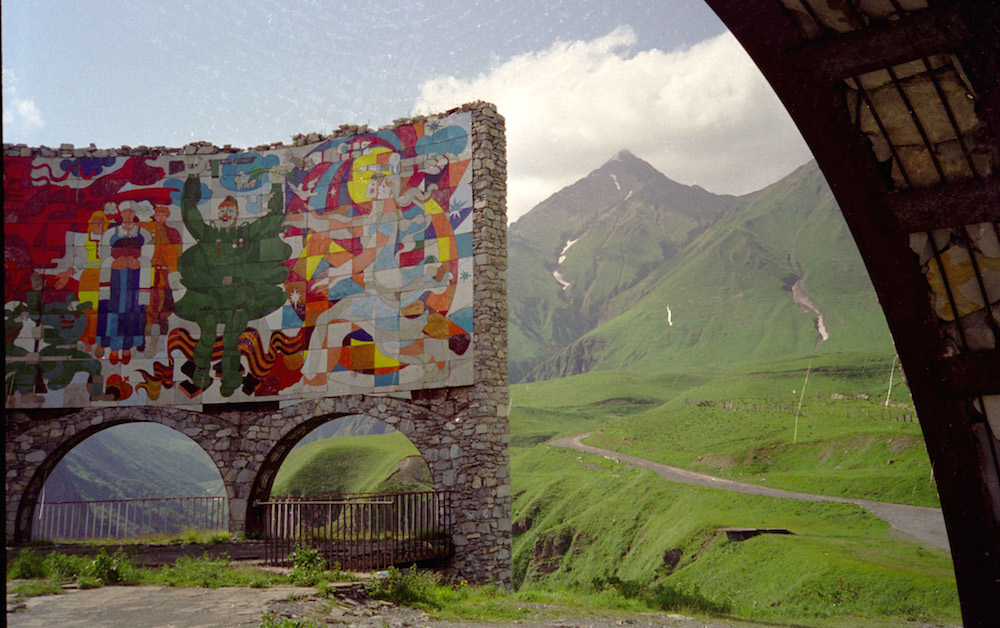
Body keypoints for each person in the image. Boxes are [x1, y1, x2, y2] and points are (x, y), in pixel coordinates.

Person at [174, 164, 291, 397]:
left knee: (230, 342)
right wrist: (194, 177)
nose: (226, 214)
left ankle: (230, 383)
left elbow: (271, 220)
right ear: (219, 214)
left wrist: (277, 185)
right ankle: (200, 378)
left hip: (238, 299)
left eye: (230, 210)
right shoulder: (210, 236)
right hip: (211, 299)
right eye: (222, 210)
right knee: (206, 337)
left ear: (236, 213)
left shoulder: (245, 236)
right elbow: (189, 214)